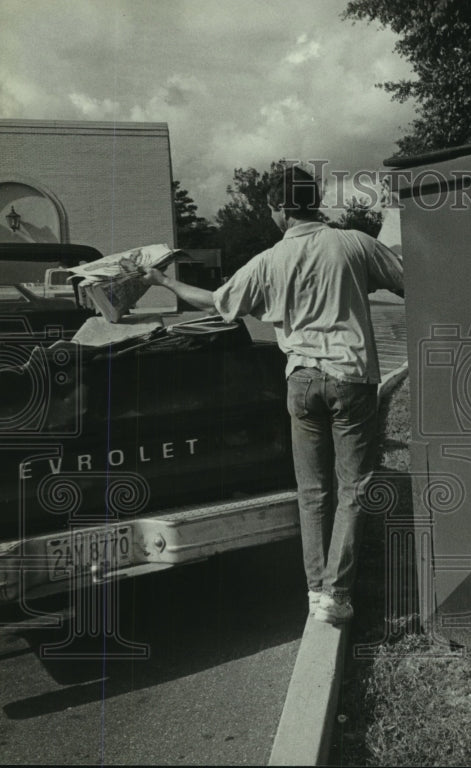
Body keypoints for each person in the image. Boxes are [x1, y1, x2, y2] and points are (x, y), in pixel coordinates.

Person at [137, 165, 403, 625]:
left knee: (313, 491)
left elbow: (217, 303)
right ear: (316, 199)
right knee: (354, 489)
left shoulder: (268, 261)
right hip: (352, 376)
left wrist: (162, 283)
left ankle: (315, 591)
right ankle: (337, 595)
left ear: (279, 209)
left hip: (301, 380)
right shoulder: (354, 243)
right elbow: (407, 280)